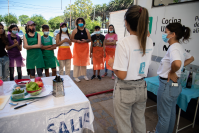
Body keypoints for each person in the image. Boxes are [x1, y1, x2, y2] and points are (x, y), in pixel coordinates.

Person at [108, 5, 153, 133]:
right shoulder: (149, 41)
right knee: (139, 122)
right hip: (142, 87)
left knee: (124, 125)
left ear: (126, 22)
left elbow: (122, 74)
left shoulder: (123, 43)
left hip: (125, 89)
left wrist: (112, 64)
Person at [148, 23, 194, 133]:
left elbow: (177, 63)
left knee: (164, 116)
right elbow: (191, 58)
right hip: (174, 86)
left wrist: (173, 71)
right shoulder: (179, 47)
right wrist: (177, 69)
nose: (164, 34)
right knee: (171, 114)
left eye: (165, 32)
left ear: (173, 34)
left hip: (167, 86)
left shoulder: (174, 48)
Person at [71, 17, 91, 82]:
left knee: (84, 62)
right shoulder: (75, 30)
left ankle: (84, 75)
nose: (80, 22)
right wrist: (77, 41)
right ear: (77, 23)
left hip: (85, 48)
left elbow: (89, 39)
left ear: (83, 22)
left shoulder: (86, 30)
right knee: (77, 62)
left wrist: (85, 40)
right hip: (77, 48)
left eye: (81, 21)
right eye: (79, 21)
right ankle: (75, 77)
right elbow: (71, 39)